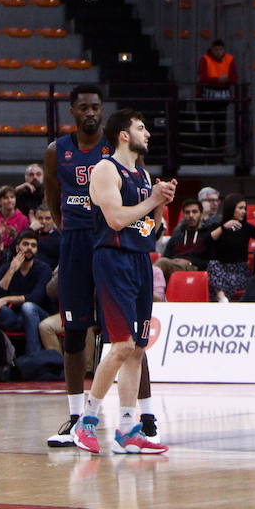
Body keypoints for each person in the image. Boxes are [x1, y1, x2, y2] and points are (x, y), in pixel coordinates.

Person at [72, 108, 173, 455]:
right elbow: (115, 220)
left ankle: (128, 428)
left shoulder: (143, 175)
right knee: (121, 345)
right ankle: (85, 422)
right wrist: (152, 200)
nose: (148, 133)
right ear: (124, 134)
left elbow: (147, 231)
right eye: (142, 127)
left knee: (138, 349)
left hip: (140, 260)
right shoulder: (104, 169)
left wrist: (159, 207)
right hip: (112, 260)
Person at [44, 84, 112, 447]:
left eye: (95, 107)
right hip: (74, 245)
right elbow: (53, 200)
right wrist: (68, 226)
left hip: (109, 243)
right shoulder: (57, 151)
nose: (90, 113)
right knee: (73, 332)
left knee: (118, 334)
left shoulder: (115, 148)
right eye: (84, 107)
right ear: (72, 111)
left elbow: (141, 191)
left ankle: (134, 416)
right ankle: (74, 417)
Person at [0, 230, 52, 355]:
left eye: (33, 246)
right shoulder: (7, 267)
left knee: (28, 307)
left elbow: (36, 298)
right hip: (15, 317)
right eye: (25, 244)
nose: (29, 248)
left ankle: (33, 358)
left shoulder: (43, 269)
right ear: (17, 248)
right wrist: (11, 270)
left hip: (39, 316)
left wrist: (7, 299)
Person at [206, 194, 255, 301]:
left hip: (239, 270)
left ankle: (222, 297)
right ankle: (221, 297)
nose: (244, 211)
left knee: (219, 282)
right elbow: (208, 240)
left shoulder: (246, 227)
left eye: (245, 208)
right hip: (221, 270)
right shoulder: (218, 226)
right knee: (212, 265)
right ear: (231, 208)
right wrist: (224, 227)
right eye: (240, 208)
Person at [196, 39, 237, 150]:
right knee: (206, 128)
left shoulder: (229, 59)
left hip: (221, 101)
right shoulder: (205, 59)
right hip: (206, 100)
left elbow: (234, 78)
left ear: (224, 50)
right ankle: (208, 155)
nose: (219, 52)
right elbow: (203, 78)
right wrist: (219, 80)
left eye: (221, 50)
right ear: (212, 49)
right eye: (216, 50)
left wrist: (222, 80)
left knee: (220, 128)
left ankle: (220, 155)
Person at [158, 199, 211, 278]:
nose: (191, 215)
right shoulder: (177, 236)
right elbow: (166, 256)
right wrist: (175, 261)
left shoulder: (208, 236)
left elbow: (210, 263)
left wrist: (189, 262)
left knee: (161, 263)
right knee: (160, 264)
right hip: (173, 267)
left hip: (195, 270)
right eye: (187, 212)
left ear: (201, 214)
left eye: (194, 212)